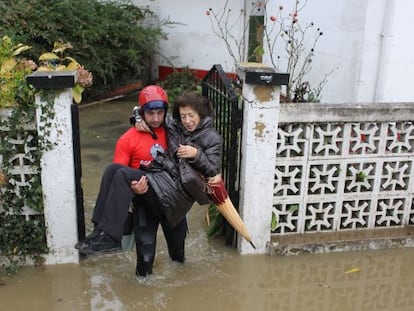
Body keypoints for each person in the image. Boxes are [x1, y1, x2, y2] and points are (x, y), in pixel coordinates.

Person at [76, 85, 181, 258]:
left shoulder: (172, 130)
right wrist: (134, 190)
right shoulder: (127, 139)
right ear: (143, 111)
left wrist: (137, 116)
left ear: (165, 111)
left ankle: (109, 235)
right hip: (145, 194)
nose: (155, 118)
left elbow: (188, 120)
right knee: (112, 170)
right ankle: (101, 231)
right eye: (150, 113)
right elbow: (118, 185)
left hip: (168, 192)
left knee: (179, 258)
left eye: (160, 113)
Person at [131, 91, 223, 277]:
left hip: (180, 199)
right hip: (158, 189)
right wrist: (136, 117)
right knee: (145, 259)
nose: (187, 121)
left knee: (178, 257)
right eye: (183, 116)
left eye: (191, 116)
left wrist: (196, 154)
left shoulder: (212, 138)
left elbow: (213, 170)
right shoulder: (175, 126)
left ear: (201, 114)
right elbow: (154, 113)